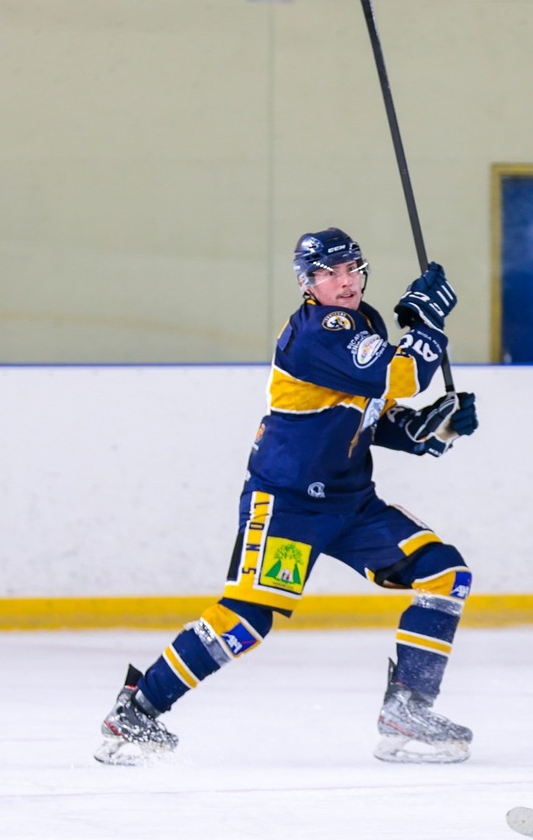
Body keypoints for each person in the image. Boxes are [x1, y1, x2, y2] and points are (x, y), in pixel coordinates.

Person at [95, 227, 480, 766]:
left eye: (351, 269)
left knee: (444, 573)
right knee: (248, 619)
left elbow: (370, 411)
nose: (344, 282)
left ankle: (408, 710)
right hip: (289, 506)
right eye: (329, 273)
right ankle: (138, 710)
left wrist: (430, 429)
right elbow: (404, 375)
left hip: (351, 503)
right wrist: (427, 323)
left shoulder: (363, 323)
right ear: (307, 283)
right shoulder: (317, 331)